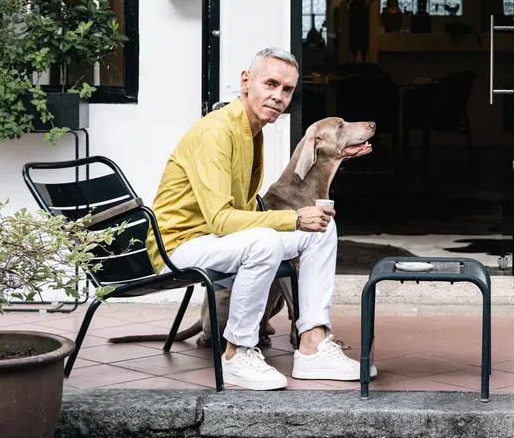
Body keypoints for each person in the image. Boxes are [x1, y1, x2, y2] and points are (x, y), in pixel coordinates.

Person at [147, 47, 372, 390]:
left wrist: (299, 223)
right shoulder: (217, 132)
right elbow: (221, 220)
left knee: (322, 229)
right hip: (180, 246)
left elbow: (240, 215)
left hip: (214, 240)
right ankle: (237, 353)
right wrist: (292, 220)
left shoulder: (252, 132)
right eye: (271, 84)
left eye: (287, 89)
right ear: (245, 81)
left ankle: (313, 346)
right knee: (265, 241)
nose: (279, 96)